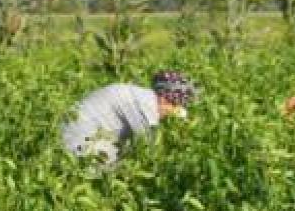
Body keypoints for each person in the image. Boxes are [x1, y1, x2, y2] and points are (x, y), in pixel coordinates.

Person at [62, 70, 198, 166]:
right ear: (163, 99)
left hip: (83, 132)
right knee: (110, 170)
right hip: (81, 138)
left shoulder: (141, 96)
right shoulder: (145, 105)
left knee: (117, 160)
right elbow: (148, 148)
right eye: (173, 105)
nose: (171, 112)